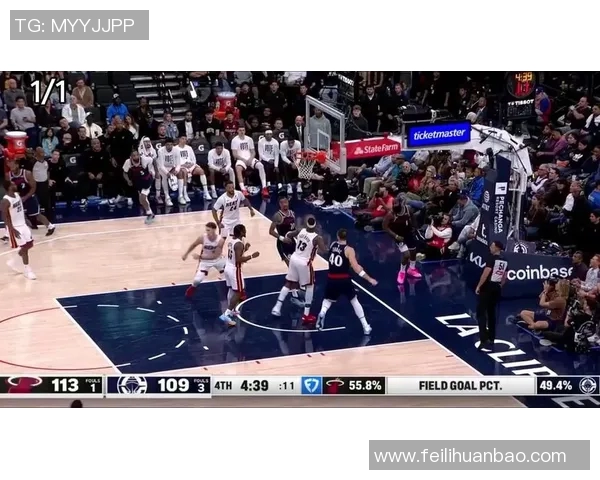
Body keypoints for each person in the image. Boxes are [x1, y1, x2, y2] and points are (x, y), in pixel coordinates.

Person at [316, 228, 377, 335]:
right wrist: (369, 279)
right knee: (354, 301)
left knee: (328, 300)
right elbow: (356, 268)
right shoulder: (349, 250)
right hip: (344, 279)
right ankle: (365, 326)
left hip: (331, 278)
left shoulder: (333, 245)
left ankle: (322, 312)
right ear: (347, 237)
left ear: (338, 236)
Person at [271, 215, 327, 324]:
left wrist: (286, 239)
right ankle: (306, 315)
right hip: (304, 262)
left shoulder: (301, 230)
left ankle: (277, 307)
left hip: (294, 258)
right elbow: (324, 250)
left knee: (289, 283)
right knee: (310, 286)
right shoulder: (317, 238)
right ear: (315, 225)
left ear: (307, 224)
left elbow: (289, 234)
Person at [220, 224, 260, 326]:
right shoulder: (239, 244)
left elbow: (234, 254)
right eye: (244, 230)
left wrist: (244, 249)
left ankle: (232, 310)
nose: (245, 231)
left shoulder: (232, 241)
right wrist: (252, 256)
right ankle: (226, 314)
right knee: (239, 292)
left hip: (228, 267)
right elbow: (238, 259)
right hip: (234, 269)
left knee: (231, 290)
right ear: (241, 232)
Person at [7, 160, 55, 235]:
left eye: (13, 167)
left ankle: (50, 226)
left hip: (30, 197)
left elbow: (33, 188)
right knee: (14, 216)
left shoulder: (27, 173)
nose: (12, 169)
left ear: (17, 165)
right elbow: (9, 189)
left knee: (37, 215)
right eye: (10, 167)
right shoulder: (8, 175)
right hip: (18, 198)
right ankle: (9, 234)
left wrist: (25, 197)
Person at [475, 240, 507, 349]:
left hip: (487, 287)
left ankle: (483, 339)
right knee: (491, 313)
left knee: (481, 313)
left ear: (497, 247)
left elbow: (485, 274)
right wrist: (500, 286)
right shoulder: (504, 260)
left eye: (492, 246)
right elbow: (505, 276)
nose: (490, 247)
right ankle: (492, 338)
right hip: (496, 288)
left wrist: (479, 286)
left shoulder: (491, 259)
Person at [1, 179, 36, 279]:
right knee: (24, 248)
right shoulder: (6, 200)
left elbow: (20, 209)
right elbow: (5, 217)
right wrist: (12, 230)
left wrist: (26, 219)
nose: (15, 185)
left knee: (29, 244)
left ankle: (13, 262)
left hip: (23, 224)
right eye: (13, 184)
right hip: (15, 227)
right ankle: (27, 270)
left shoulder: (17, 195)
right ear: (9, 187)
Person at [382, 198, 421, 284]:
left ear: (401, 204)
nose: (395, 205)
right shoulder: (390, 214)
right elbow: (385, 226)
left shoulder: (407, 209)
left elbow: (413, 218)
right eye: (393, 204)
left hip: (408, 232)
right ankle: (402, 272)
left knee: (413, 251)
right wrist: (395, 236)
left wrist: (415, 228)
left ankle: (411, 269)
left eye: (396, 204)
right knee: (406, 255)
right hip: (398, 235)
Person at [182, 222, 226, 299]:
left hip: (218, 260)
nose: (207, 232)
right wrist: (186, 254)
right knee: (197, 280)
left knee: (228, 276)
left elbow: (215, 255)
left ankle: (232, 291)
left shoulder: (220, 240)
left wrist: (199, 257)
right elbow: (194, 245)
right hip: (205, 262)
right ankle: (192, 288)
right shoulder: (202, 237)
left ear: (214, 230)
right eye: (206, 230)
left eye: (208, 230)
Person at [231, 126, 268, 198]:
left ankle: (264, 188)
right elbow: (234, 154)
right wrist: (243, 160)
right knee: (238, 168)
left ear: (245, 131)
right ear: (237, 131)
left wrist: (250, 159)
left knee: (261, 165)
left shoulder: (249, 139)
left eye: (243, 130)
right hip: (240, 159)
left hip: (250, 158)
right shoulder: (234, 140)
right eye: (240, 130)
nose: (242, 132)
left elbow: (253, 152)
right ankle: (243, 189)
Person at [122, 150, 155, 225]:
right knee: (142, 201)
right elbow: (124, 172)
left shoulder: (145, 160)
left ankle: (149, 214)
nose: (136, 157)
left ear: (139, 155)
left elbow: (153, 160)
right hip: (138, 182)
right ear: (131, 157)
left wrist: (155, 172)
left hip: (147, 180)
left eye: (137, 155)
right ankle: (150, 212)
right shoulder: (128, 162)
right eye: (134, 155)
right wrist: (128, 180)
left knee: (143, 197)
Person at [175, 135, 210, 201]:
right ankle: (185, 194)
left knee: (201, 171)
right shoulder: (175, 149)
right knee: (184, 172)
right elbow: (175, 161)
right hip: (181, 166)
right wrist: (183, 165)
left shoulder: (189, 148)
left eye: (185, 139)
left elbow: (194, 159)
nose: (184, 140)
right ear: (179, 139)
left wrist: (191, 164)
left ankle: (206, 192)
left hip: (190, 165)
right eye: (183, 139)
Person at [156, 138, 184, 206]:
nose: (169, 146)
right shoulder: (160, 151)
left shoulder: (176, 150)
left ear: (173, 144)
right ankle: (167, 197)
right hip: (162, 167)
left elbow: (178, 164)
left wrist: (176, 170)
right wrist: (167, 173)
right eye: (168, 145)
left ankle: (180, 196)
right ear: (165, 145)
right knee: (165, 176)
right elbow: (161, 165)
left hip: (172, 167)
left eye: (171, 144)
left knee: (180, 173)